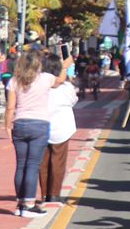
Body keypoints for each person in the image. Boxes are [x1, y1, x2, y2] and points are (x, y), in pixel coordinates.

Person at [5, 49, 55, 217]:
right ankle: (30, 204)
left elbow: (10, 107)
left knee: (21, 164)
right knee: (33, 165)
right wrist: (66, 62)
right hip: (40, 124)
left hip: (19, 123)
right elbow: (61, 79)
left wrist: (7, 126)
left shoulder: (14, 81)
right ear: (37, 64)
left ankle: (20, 204)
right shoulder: (46, 79)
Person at [41, 52, 78, 204]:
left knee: (42, 163)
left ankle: (43, 194)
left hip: (42, 126)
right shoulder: (66, 87)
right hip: (61, 128)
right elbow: (74, 100)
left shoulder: (39, 85)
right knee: (58, 162)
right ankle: (54, 194)